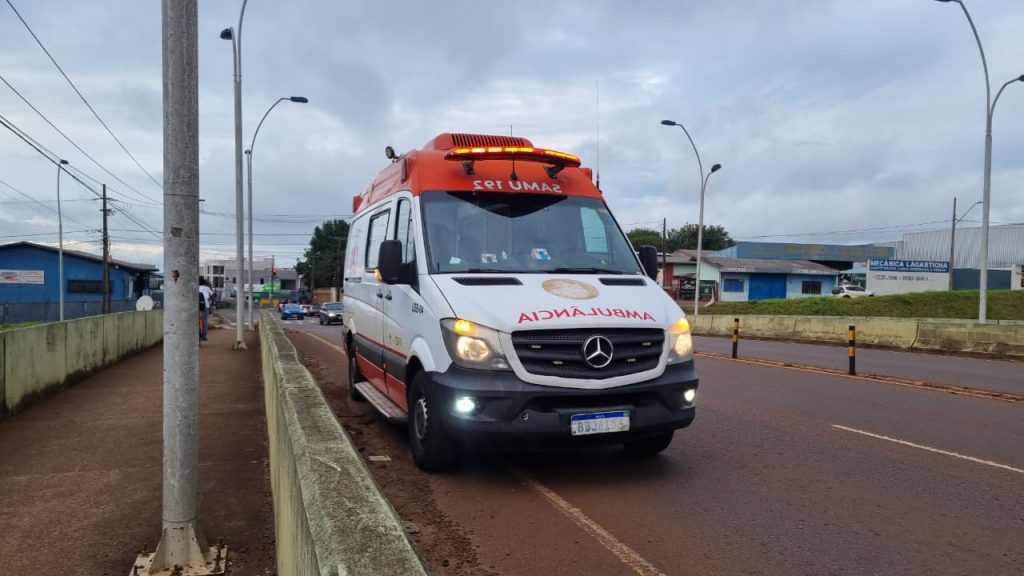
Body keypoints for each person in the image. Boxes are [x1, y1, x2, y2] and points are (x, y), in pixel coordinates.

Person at [198, 277, 213, 341]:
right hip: (205, 306)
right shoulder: (207, 288)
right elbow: (212, 295)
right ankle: (204, 335)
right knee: (205, 321)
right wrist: (213, 302)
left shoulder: (195, 287)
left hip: (196, 306)